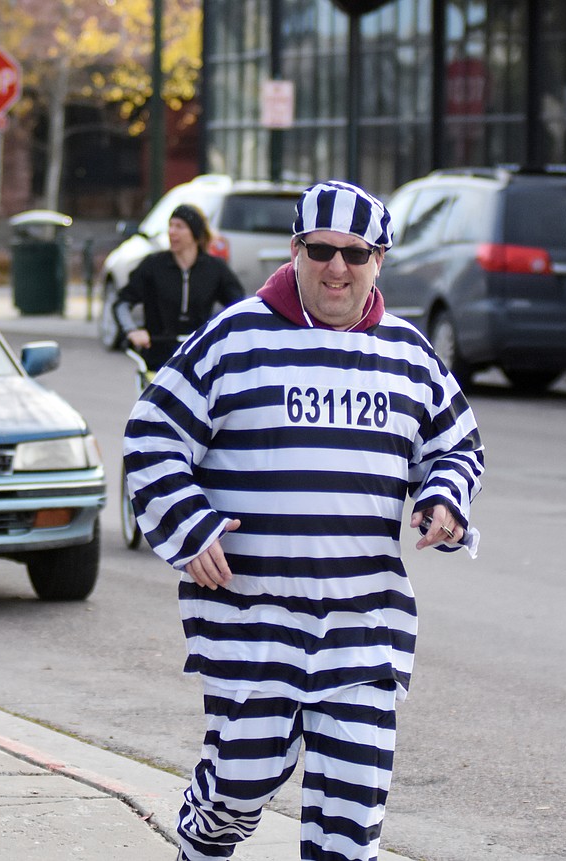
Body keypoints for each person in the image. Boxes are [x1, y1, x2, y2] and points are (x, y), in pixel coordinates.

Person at [122, 180, 484, 861]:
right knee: (242, 781)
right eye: (321, 250)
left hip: (363, 626)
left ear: (380, 259)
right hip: (251, 619)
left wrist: (444, 499)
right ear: (295, 251)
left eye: (356, 253)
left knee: (350, 821)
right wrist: (189, 525)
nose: (337, 267)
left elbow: (455, 444)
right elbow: (152, 433)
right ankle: (205, 823)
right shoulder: (235, 337)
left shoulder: (409, 355)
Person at [113, 203, 245, 371]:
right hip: (157, 358)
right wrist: (131, 330)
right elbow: (122, 302)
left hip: (199, 358)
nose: (172, 231)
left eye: (179, 227)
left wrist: (222, 333)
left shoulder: (214, 268)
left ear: (195, 234)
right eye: (170, 226)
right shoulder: (153, 265)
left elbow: (238, 306)